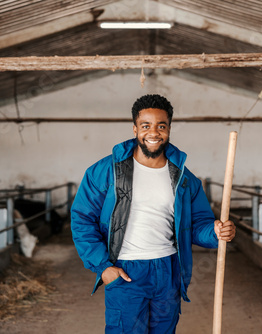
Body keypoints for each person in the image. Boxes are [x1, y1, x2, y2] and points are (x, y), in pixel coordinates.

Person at [71, 94, 236, 333]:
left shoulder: (184, 178)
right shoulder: (105, 171)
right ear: (135, 128)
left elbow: (199, 223)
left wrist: (216, 231)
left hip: (168, 269)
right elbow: (82, 219)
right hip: (125, 270)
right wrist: (103, 267)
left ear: (169, 128)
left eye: (161, 126)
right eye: (146, 125)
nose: (153, 132)